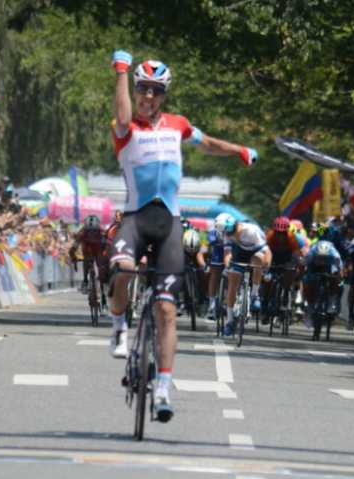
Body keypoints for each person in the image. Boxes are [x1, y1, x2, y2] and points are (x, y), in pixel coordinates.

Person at [107, 50, 258, 423]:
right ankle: (118, 328)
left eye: (155, 91)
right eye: (143, 89)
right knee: (124, 269)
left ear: (164, 95)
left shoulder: (178, 125)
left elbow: (206, 144)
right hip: (136, 219)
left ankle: (163, 387)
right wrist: (122, 72)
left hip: (170, 222)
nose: (148, 97)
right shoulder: (125, 128)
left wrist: (238, 150)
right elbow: (125, 116)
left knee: (166, 310)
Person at [214, 213, 271, 336]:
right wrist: (228, 267)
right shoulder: (227, 234)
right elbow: (228, 254)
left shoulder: (252, 231)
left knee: (258, 261)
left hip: (256, 252)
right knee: (232, 283)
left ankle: (255, 295)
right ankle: (229, 321)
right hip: (238, 253)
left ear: (234, 226)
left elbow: (267, 252)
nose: (228, 236)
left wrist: (266, 268)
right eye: (225, 234)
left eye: (228, 233)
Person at [262, 216, 304, 324]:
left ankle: (285, 292)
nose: (280, 235)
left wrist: (296, 268)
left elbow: (296, 255)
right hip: (273, 255)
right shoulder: (270, 236)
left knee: (290, 272)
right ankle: (265, 303)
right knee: (267, 280)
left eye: (283, 233)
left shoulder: (291, 237)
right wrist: (265, 264)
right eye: (278, 233)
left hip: (287, 256)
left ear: (287, 231)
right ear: (274, 231)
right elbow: (264, 251)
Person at [303, 240, 343, 325]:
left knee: (335, 280)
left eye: (324, 258)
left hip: (329, 267)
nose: (322, 260)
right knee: (308, 281)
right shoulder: (311, 252)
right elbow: (304, 265)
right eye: (320, 257)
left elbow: (339, 268)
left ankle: (331, 302)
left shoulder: (334, 255)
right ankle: (309, 307)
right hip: (314, 267)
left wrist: (338, 275)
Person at [69, 215, 107, 294]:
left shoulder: (103, 232)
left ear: (98, 230)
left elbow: (109, 247)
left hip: (98, 250)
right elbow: (73, 249)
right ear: (86, 230)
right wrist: (73, 258)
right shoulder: (81, 233)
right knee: (86, 260)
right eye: (89, 232)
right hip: (87, 251)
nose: (92, 235)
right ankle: (85, 280)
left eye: (94, 232)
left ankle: (104, 281)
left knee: (101, 264)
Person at [204, 222, 231, 319]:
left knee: (231, 276)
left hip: (230, 253)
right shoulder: (212, 233)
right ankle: (211, 305)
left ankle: (228, 302)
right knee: (214, 274)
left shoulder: (233, 232)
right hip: (218, 254)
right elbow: (205, 247)